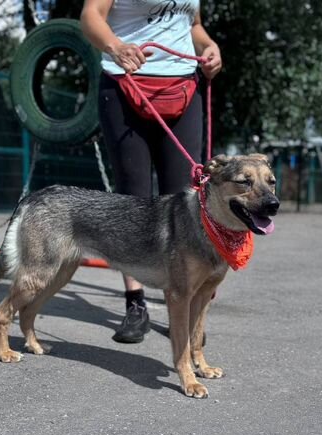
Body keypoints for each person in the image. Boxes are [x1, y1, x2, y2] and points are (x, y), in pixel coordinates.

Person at [80, 0, 222, 343]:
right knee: (133, 199)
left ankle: (182, 304)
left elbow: (192, 25)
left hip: (183, 89)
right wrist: (115, 46)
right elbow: (90, 17)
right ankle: (135, 303)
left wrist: (209, 46)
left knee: (187, 201)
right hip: (125, 84)